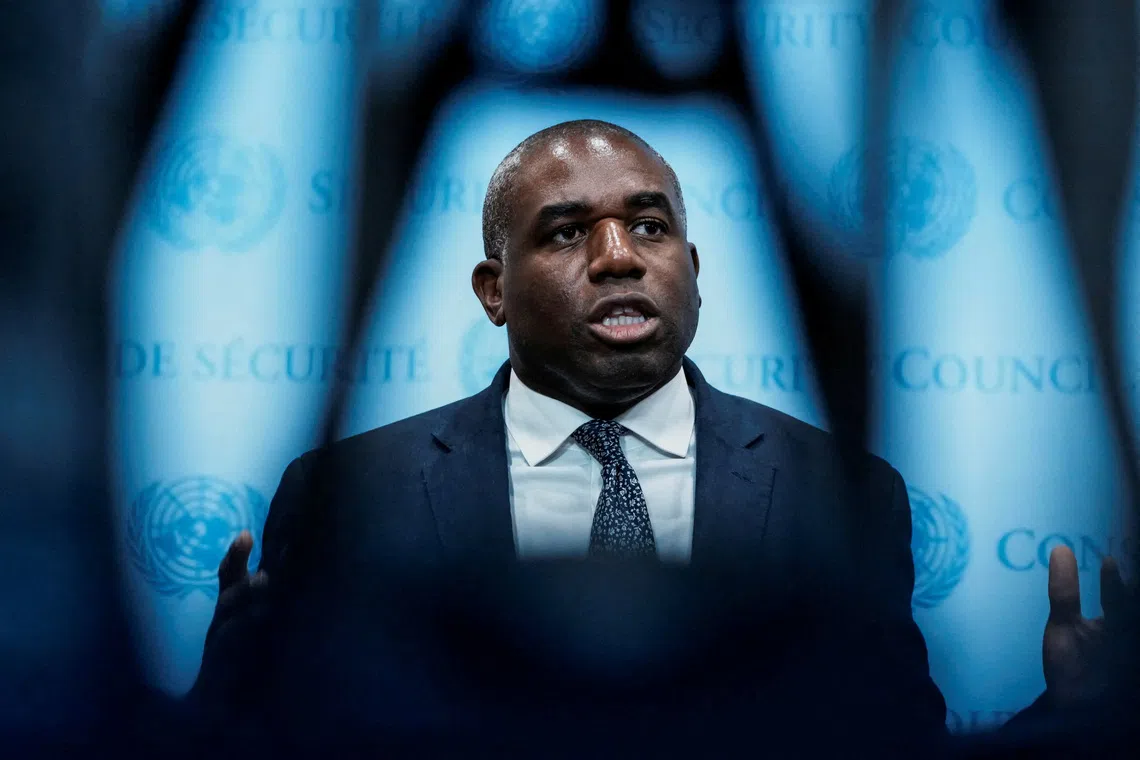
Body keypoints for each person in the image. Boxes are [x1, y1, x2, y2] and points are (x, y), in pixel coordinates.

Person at [189, 120, 1131, 752]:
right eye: (566, 233)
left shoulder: (839, 490)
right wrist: (225, 709)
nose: (616, 258)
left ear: (695, 268)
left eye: (650, 226)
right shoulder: (346, 496)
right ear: (493, 290)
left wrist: (1074, 716)